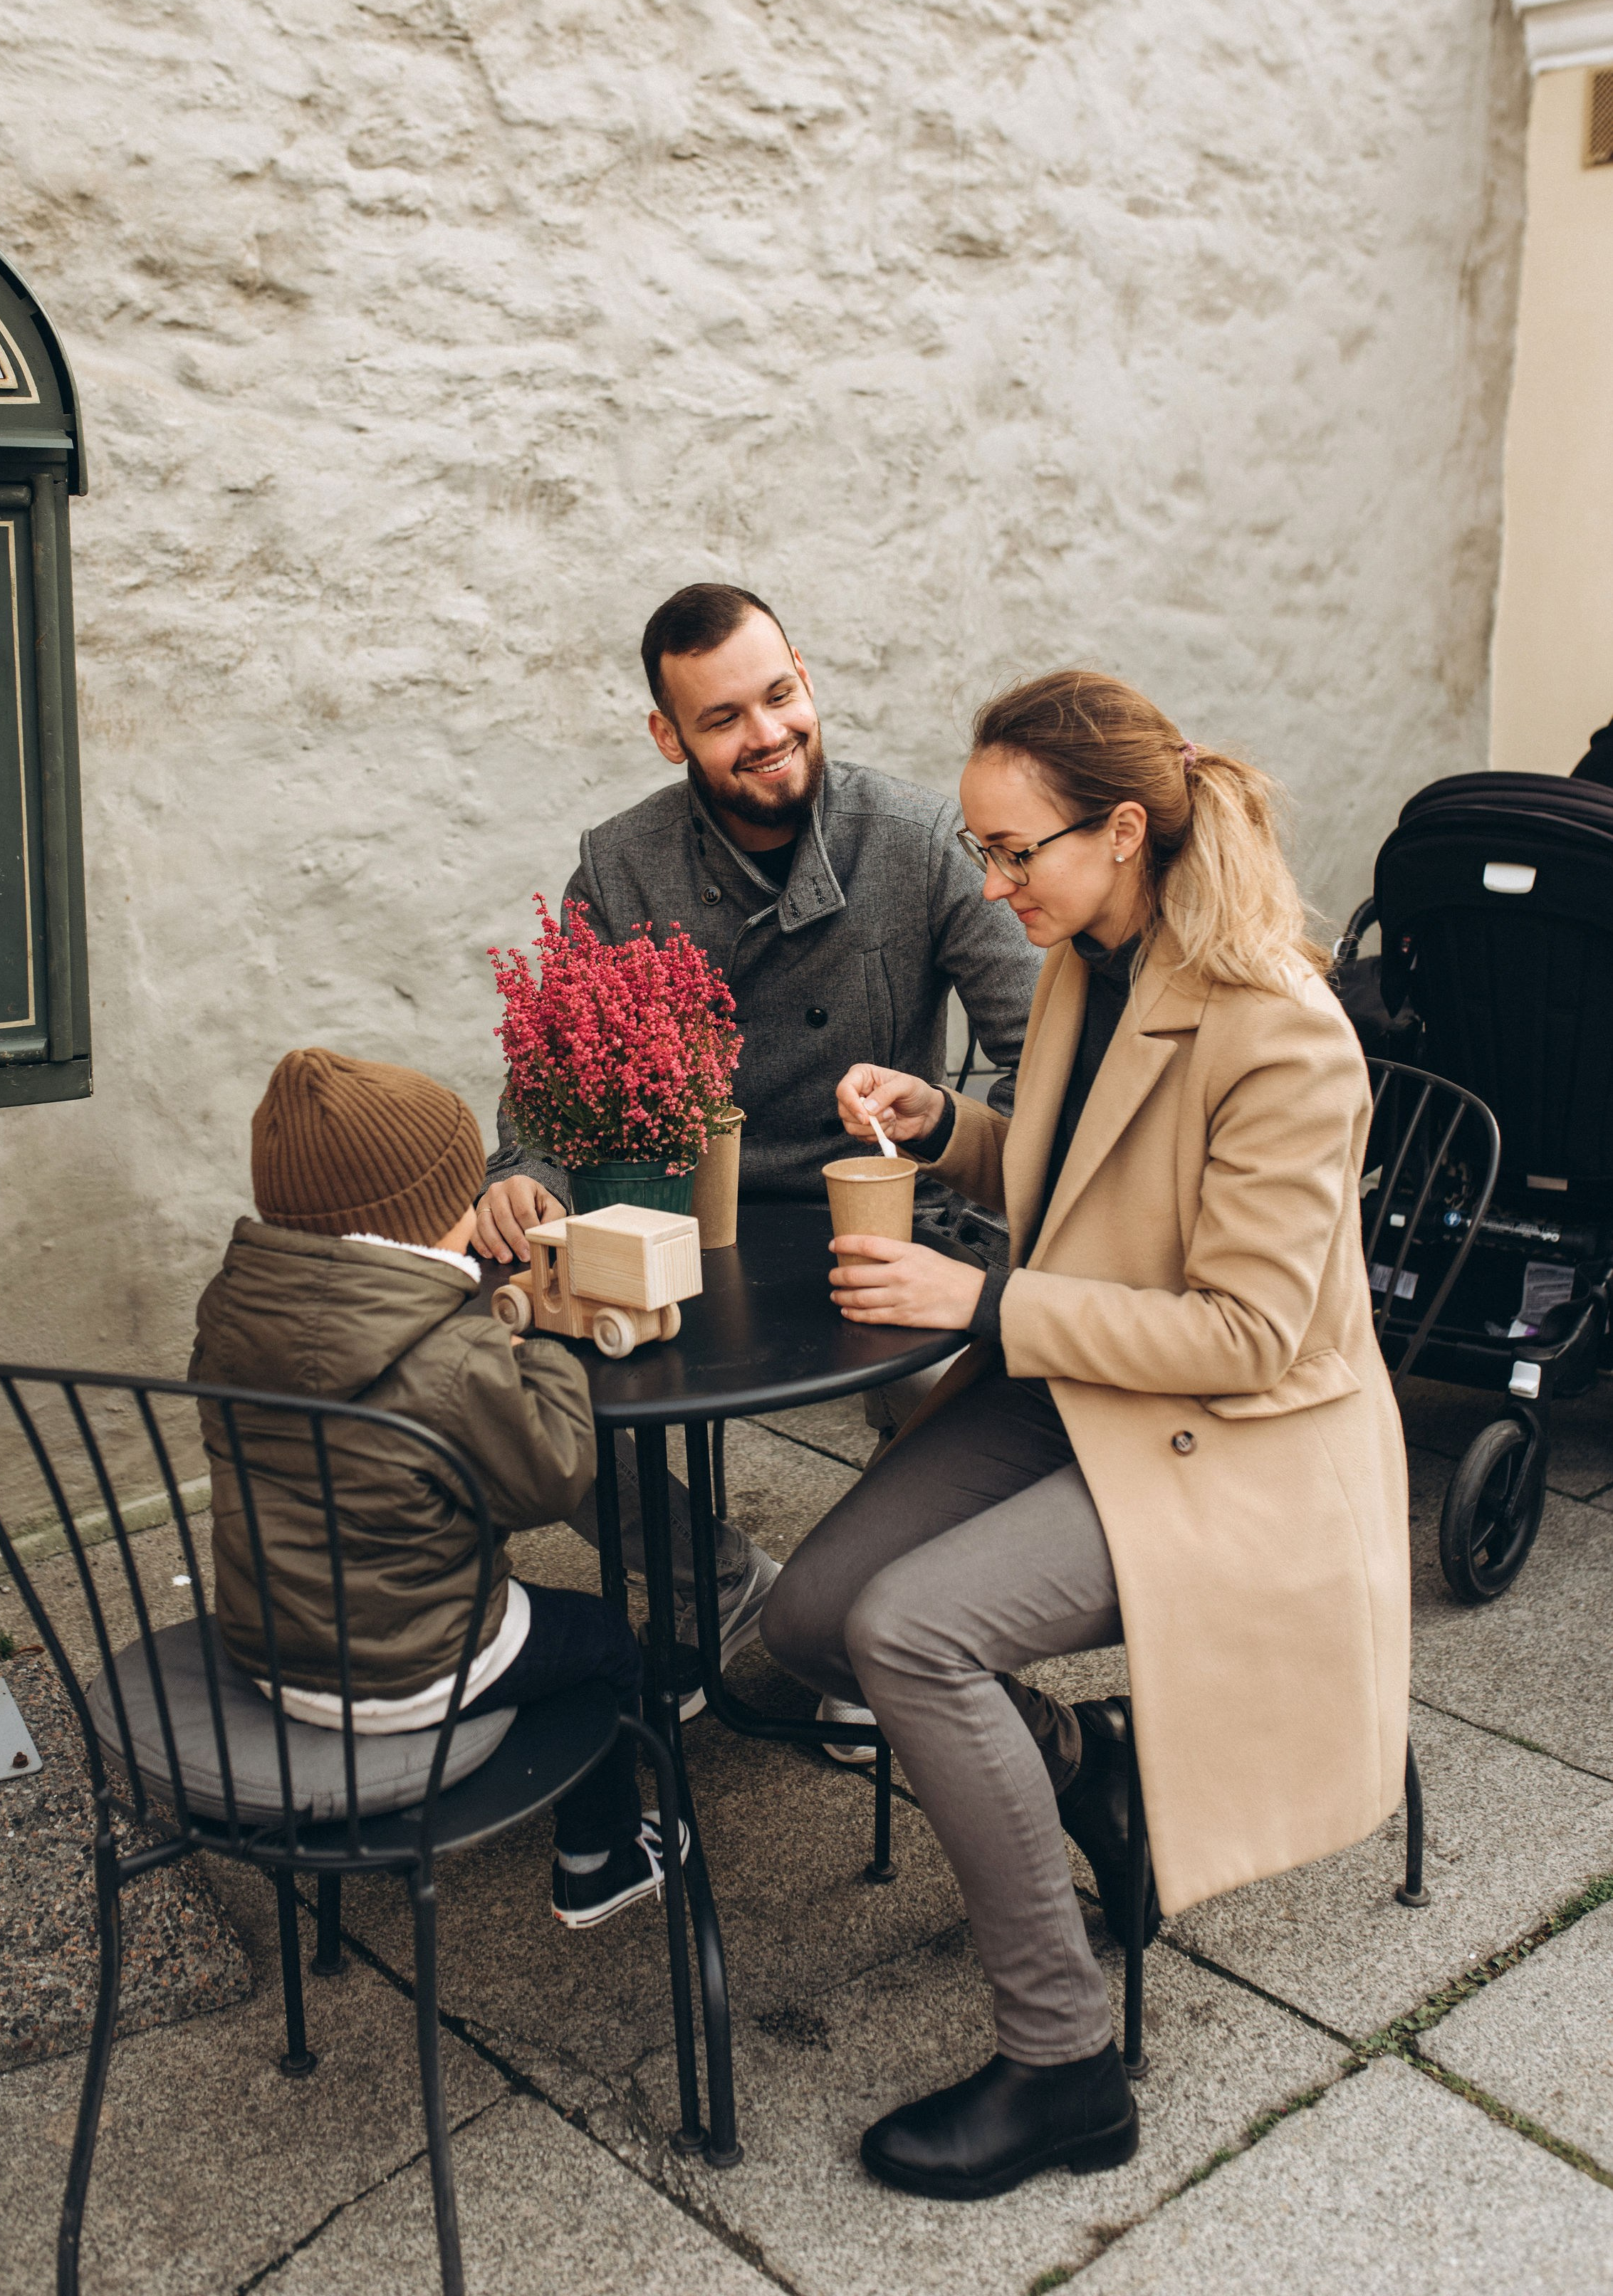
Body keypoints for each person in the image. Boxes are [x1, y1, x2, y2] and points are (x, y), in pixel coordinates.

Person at [761, 669, 1409, 2201]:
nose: (990, 884)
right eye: (980, 852)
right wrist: (944, 1127)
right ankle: (1087, 1764)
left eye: (1012, 853)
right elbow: (1085, 1189)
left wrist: (979, 1306)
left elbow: (1249, 1338)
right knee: (801, 1619)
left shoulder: (1279, 1029)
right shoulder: (1087, 963)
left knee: (910, 1633)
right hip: (1079, 1393)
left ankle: (1064, 2068)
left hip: (1229, 1449)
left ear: (1120, 831)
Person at [471, 583, 1040, 1724]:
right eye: (723, 718)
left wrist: (951, 1122)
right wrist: (522, 1168)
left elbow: (1046, 1062)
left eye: (780, 696)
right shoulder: (622, 865)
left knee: (960, 1400)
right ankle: (714, 1585)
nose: (768, 734)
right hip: (687, 1221)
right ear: (667, 735)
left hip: (877, 1218)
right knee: (521, 1389)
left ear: (806, 680)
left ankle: (849, 1634)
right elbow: (551, 1076)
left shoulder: (920, 841)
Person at [192, 1047, 682, 1930]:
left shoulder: (232, 1310)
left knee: (543, 1625)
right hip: (412, 1666)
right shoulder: (451, 1356)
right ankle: (600, 1857)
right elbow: (552, 1476)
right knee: (604, 1640)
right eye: (462, 1200)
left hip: (270, 1644)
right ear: (428, 1220)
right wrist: (543, 1355)